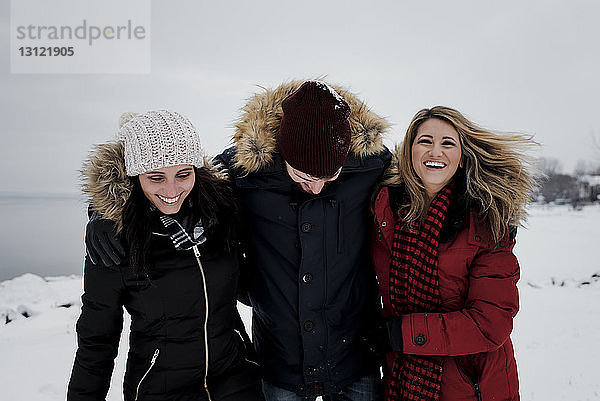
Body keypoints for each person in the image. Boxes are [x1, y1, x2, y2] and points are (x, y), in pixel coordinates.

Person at [85, 81, 393, 400]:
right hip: (280, 359)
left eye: (329, 178)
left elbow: (422, 183)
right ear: (284, 150)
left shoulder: (372, 164)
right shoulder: (244, 169)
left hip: (355, 357)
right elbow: (177, 185)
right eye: (303, 176)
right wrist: (105, 211)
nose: (316, 187)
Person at [67, 110, 264, 401]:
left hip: (238, 382)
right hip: (160, 389)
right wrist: (100, 212)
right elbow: (97, 342)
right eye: (156, 177)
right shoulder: (116, 240)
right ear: (134, 175)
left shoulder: (220, 214)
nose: (172, 190)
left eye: (183, 174)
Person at [371, 106, 538, 401]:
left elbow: (490, 323)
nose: (436, 151)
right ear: (409, 151)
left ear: (462, 157)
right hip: (401, 382)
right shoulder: (386, 213)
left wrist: (401, 334)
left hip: (474, 388)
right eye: (425, 141)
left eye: (448, 143)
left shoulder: (487, 222)